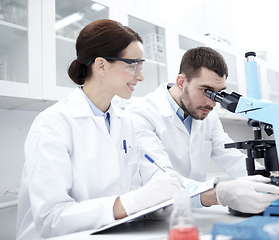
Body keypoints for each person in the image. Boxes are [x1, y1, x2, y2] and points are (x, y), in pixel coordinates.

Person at [16, 19, 182, 240]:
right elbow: (51, 219)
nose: (140, 76)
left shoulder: (124, 121)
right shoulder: (53, 123)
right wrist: (133, 201)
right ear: (101, 65)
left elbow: (129, 195)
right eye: (133, 65)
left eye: (141, 66)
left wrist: (160, 204)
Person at [125, 46, 279, 213]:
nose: (212, 103)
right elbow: (162, 178)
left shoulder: (208, 116)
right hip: (154, 219)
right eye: (206, 91)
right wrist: (219, 194)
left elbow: (230, 155)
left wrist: (267, 182)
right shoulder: (140, 113)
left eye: (218, 93)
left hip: (193, 213)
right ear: (181, 82)